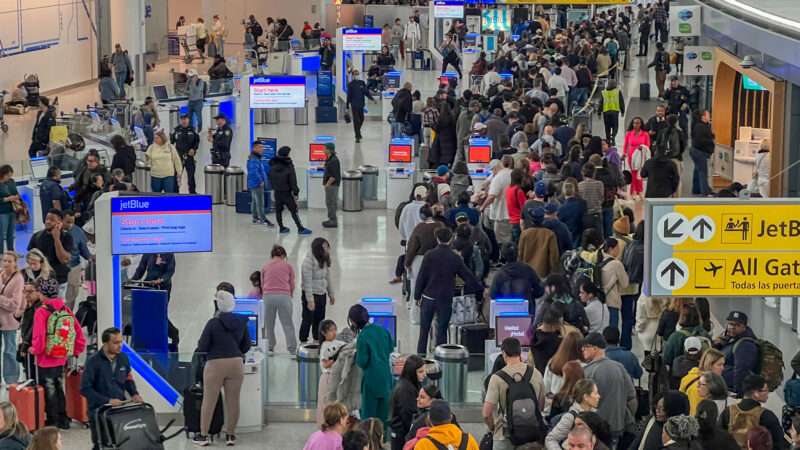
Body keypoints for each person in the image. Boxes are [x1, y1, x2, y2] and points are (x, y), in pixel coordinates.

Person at [191, 290, 251, 447]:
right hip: (236, 363)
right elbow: (246, 345)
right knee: (233, 401)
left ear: (217, 304)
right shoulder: (241, 321)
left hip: (215, 364)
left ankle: (204, 436)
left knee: (209, 401)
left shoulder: (213, 323)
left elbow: (202, 346)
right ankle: (230, 435)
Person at [414, 228, 482, 355]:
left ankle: (421, 356)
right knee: (442, 329)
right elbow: (467, 276)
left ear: (437, 238)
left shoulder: (429, 255)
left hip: (428, 297)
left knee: (424, 330)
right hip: (445, 299)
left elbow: (422, 276)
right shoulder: (454, 257)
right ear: (451, 239)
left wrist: (417, 295)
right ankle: (440, 357)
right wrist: (479, 288)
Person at [30, 277, 86, 429]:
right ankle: (63, 419)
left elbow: (39, 336)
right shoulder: (65, 309)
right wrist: (77, 349)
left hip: (45, 357)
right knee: (59, 386)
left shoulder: (41, 311)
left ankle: (53, 419)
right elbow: (77, 330)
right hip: (61, 355)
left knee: (49, 388)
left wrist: (35, 349)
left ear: (42, 293)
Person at [81, 327, 142, 450]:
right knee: (101, 445)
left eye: (121, 342)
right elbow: (85, 389)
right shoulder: (93, 362)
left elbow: (128, 379)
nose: (120, 346)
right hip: (99, 412)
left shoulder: (123, 358)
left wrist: (134, 393)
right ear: (105, 343)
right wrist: (107, 401)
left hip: (119, 411)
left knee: (121, 444)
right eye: (116, 343)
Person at [483, 337, 545, 449]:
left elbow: (486, 413)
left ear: (503, 353)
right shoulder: (535, 373)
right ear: (520, 352)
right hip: (531, 434)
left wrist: (493, 427)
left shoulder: (497, 378)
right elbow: (540, 405)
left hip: (504, 435)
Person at [580, 332, 636, 447]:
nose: (582, 349)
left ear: (595, 348)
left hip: (594, 428)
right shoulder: (619, 367)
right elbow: (631, 398)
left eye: (585, 347)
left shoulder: (587, 372)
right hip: (617, 426)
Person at [347, 304, 392, 428]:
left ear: (353, 322)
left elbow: (362, 361)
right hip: (386, 379)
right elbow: (390, 349)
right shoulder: (383, 330)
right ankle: (382, 438)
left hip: (371, 380)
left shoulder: (363, 337)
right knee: (384, 417)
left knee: (368, 419)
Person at [720, 374, 786, 450]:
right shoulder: (767, 416)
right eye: (766, 390)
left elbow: (719, 438)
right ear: (756, 393)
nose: (768, 393)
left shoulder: (727, 412)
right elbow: (778, 443)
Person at [131, 253, 179, 350]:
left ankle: (173, 333)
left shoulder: (169, 254)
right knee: (147, 313)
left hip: (162, 287)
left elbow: (170, 271)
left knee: (159, 314)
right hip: (148, 285)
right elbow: (141, 269)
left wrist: (161, 280)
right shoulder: (148, 253)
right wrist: (132, 280)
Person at [260, 245, 297, 355]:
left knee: (269, 324)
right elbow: (292, 284)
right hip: (284, 296)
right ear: (283, 255)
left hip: (268, 296)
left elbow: (262, 284)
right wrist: (290, 294)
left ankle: (270, 347)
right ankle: (292, 350)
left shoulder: (265, 266)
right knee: (288, 324)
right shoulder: (288, 266)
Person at [27, 209, 73, 297]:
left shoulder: (66, 237)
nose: (48, 221)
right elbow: (31, 258)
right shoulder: (37, 236)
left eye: (52, 220)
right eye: (47, 219)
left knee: (57, 305)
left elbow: (63, 260)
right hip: (40, 281)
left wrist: (56, 239)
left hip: (59, 280)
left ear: (59, 222)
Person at [545, 379, 599, 450]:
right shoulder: (570, 417)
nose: (598, 396)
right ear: (586, 397)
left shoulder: (595, 415)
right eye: (595, 393)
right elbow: (550, 439)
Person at [489, 243, 543, 314]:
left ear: (503, 256)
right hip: (527, 312)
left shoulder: (499, 274)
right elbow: (539, 291)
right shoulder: (528, 270)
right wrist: (530, 295)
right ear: (518, 253)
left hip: (505, 312)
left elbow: (493, 295)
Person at [714, 311, 759, 396]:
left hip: (730, 388)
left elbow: (742, 370)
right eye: (730, 324)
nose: (732, 327)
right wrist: (717, 344)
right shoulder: (730, 338)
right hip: (722, 384)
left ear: (744, 327)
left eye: (737, 325)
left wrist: (738, 392)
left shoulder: (745, 345)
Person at [269, 146, 312, 235]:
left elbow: (270, 178)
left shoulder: (273, 165)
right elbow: (293, 180)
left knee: (278, 211)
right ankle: (300, 229)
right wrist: (296, 192)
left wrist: (274, 187)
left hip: (277, 192)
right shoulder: (288, 165)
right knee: (293, 210)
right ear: (286, 154)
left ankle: (281, 228)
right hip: (286, 193)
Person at [300, 238, 335, 343]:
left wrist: (331, 294)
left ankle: (317, 339)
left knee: (320, 319)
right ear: (318, 248)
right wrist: (310, 300)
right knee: (308, 319)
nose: (327, 249)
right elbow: (307, 282)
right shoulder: (308, 262)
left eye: (327, 247)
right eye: (325, 247)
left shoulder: (324, 259)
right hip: (311, 294)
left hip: (321, 294)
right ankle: (303, 340)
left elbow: (327, 278)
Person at [389, 355, 426, 450]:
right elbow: (408, 416)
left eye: (424, 371)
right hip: (402, 436)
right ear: (412, 372)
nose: (424, 374)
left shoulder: (412, 384)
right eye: (420, 372)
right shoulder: (405, 390)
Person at [518, 207, 560, 280]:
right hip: (543, 273)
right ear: (543, 219)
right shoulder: (550, 234)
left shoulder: (524, 234)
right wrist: (554, 274)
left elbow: (520, 254)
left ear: (531, 220)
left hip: (527, 273)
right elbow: (554, 257)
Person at [0, 251, 23, 385]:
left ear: (15, 263)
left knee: (9, 350)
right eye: (4, 261)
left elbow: (15, 304)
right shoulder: (0, 274)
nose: (6, 263)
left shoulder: (18, 279)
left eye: (9, 261)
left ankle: (11, 380)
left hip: (9, 322)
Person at [680, 348, 725, 414]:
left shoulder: (708, 381)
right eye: (719, 365)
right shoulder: (698, 387)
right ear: (709, 365)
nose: (723, 368)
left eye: (723, 364)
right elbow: (695, 414)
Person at [61, 211, 90, 310]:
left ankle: (67, 315)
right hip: (58, 269)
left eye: (72, 222)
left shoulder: (78, 231)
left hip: (73, 268)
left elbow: (84, 250)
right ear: (61, 220)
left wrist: (90, 258)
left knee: (71, 295)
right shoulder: (54, 231)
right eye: (68, 222)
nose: (70, 225)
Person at [247, 141, 274, 227]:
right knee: (260, 202)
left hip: (254, 183)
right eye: (260, 147)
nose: (262, 149)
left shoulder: (255, 157)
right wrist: (260, 181)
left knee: (255, 201)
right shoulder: (254, 159)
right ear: (254, 148)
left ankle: (255, 217)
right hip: (257, 183)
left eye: (262, 147)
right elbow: (253, 172)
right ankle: (263, 219)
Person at [171, 114, 200, 194]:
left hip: (189, 156)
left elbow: (197, 141)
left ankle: (192, 193)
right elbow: (171, 142)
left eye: (185, 119)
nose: (184, 121)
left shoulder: (193, 130)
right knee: (176, 175)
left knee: (191, 176)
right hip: (179, 156)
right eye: (182, 119)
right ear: (180, 120)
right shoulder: (176, 130)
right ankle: (175, 193)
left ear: (188, 120)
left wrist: (194, 149)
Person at [690, 110, 715, 196]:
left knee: (698, 170)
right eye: (708, 115)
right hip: (700, 152)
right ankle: (705, 192)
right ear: (703, 117)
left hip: (696, 151)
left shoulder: (700, 126)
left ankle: (696, 189)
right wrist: (710, 141)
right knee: (703, 172)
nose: (709, 117)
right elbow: (700, 140)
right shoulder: (701, 127)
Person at [346, 70, 375, 143]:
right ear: (353, 76)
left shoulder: (362, 83)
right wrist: (347, 106)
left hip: (361, 104)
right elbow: (349, 96)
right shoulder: (350, 84)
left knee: (362, 119)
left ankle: (358, 131)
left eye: (357, 74)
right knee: (356, 120)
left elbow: (366, 92)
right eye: (355, 74)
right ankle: (357, 136)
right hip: (354, 105)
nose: (357, 76)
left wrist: (372, 99)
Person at [0, 166, 20, 254]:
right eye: (8, 175)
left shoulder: (11, 181)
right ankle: (1, 254)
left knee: (11, 233)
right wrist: (7, 199)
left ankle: (11, 252)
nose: (9, 177)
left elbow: (16, 192)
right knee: (1, 234)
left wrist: (16, 197)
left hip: (12, 210)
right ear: (2, 174)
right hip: (2, 212)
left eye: (10, 175)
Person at [598, 80, 625, 144]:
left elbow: (601, 103)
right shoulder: (618, 92)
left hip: (606, 112)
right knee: (615, 126)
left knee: (607, 126)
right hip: (614, 112)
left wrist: (599, 112)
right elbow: (621, 101)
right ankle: (613, 137)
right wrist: (622, 111)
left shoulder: (603, 92)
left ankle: (608, 139)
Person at [322, 144, 341, 228]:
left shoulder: (334, 160)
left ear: (329, 150)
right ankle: (331, 219)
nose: (323, 150)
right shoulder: (330, 159)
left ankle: (333, 221)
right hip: (330, 185)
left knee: (331, 203)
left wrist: (327, 185)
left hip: (332, 185)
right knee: (329, 202)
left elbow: (333, 176)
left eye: (324, 148)